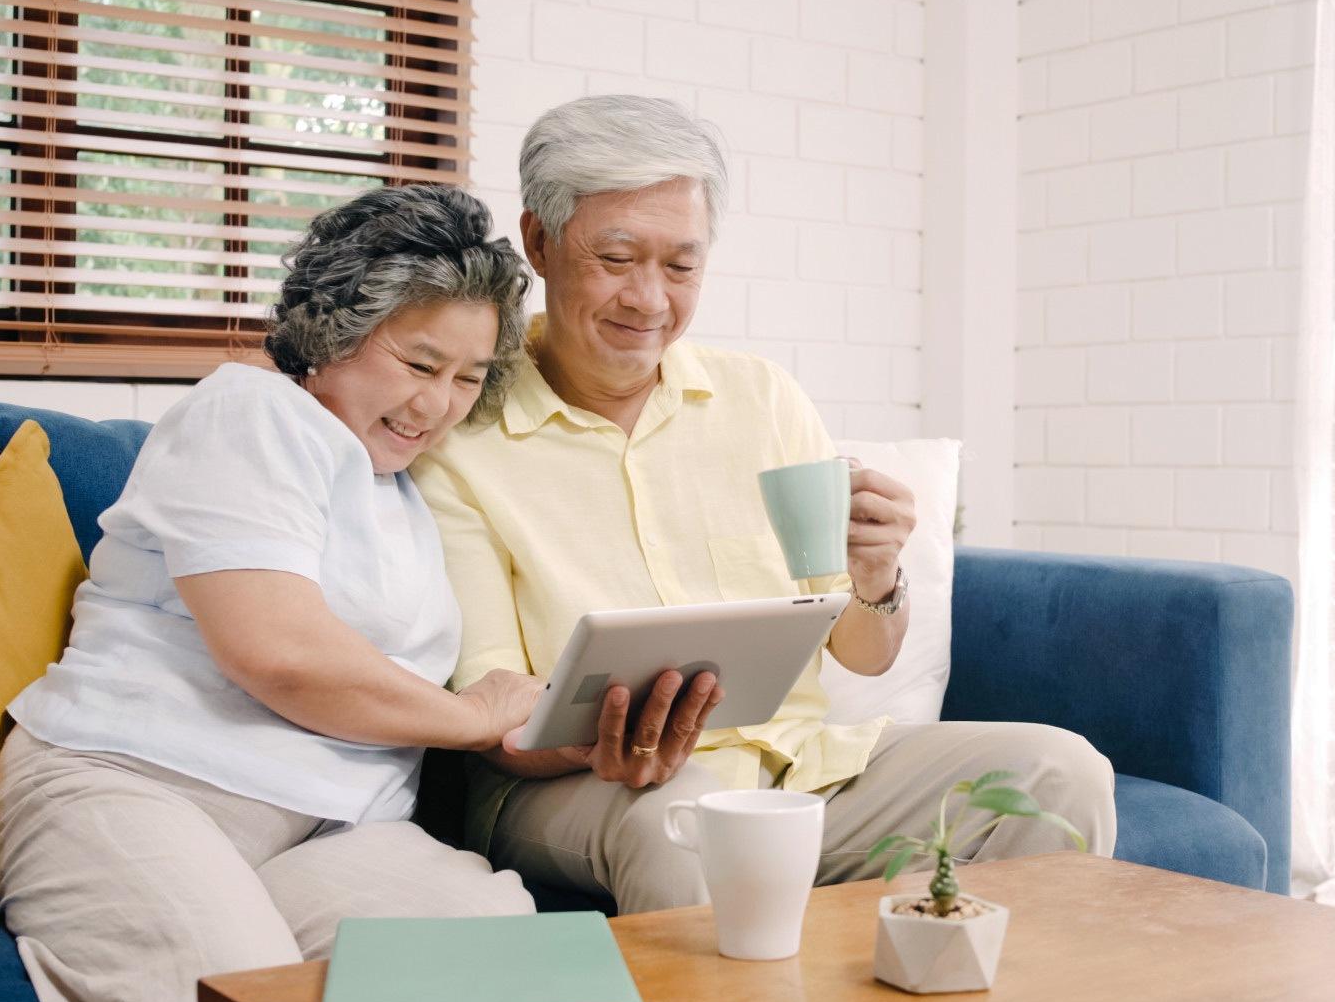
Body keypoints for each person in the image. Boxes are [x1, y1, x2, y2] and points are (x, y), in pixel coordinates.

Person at [411, 96, 1117, 915]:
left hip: (801, 764)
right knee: (689, 819)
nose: (649, 299)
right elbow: (491, 713)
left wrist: (876, 575)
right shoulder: (465, 432)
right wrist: (601, 739)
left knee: (1062, 771)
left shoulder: (762, 399)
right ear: (539, 241)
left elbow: (861, 650)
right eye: (616, 257)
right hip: (584, 785)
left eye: (681, 266)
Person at [0, 185, 543, 1002]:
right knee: (232, 993)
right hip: (136, 783)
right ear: (335, 331)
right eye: (420, 364)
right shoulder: (249, 410)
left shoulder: (403, 489)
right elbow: (276, 649)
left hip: (335, 828)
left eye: (469, 377)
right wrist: (470, 715)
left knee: (515, 973)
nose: (438, 405)